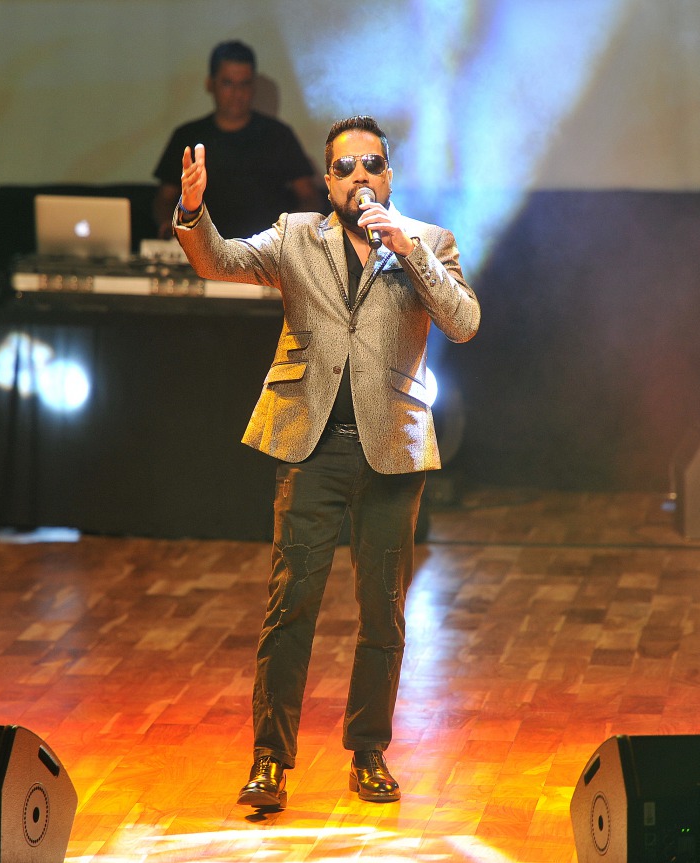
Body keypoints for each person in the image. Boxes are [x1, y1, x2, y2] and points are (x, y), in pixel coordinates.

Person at [169, 114, 480, 809]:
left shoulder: (426, 241)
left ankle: (368, 751)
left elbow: (464, 320)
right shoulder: (294, 236)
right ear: (328, 179)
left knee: (383, 612)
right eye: (345, 167)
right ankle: (269, 759)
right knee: (290, 606)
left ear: (388, 176)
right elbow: (217, 259)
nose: (359, 177)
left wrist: (410, 249)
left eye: (372, 164)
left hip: (390, 450)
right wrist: (192, 208)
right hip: (310, 445)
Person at [152, 40, 321, 239]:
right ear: (210, 84)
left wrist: (290, 235)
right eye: (227, 83)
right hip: (202, 253)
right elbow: (164, 199)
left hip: (265, 256)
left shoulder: (278, 135)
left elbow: (309, 197)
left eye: (244, 84)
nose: (237, 94)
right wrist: (168, 227)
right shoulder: (187, 135)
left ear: (253, 86)